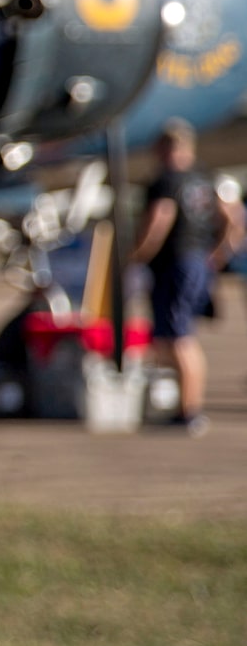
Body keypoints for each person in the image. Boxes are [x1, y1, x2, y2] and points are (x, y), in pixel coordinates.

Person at [131, 118, 241, 436]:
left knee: (179, 338)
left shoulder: (167, 180)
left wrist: (138, 255)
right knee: (172, 335)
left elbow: (159, 219)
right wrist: (220, 252)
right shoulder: (204, 177)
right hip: (196, 262)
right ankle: (180, 405)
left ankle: (188, 410)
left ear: (165, 147)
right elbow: (231, 216)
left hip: (175, 263)